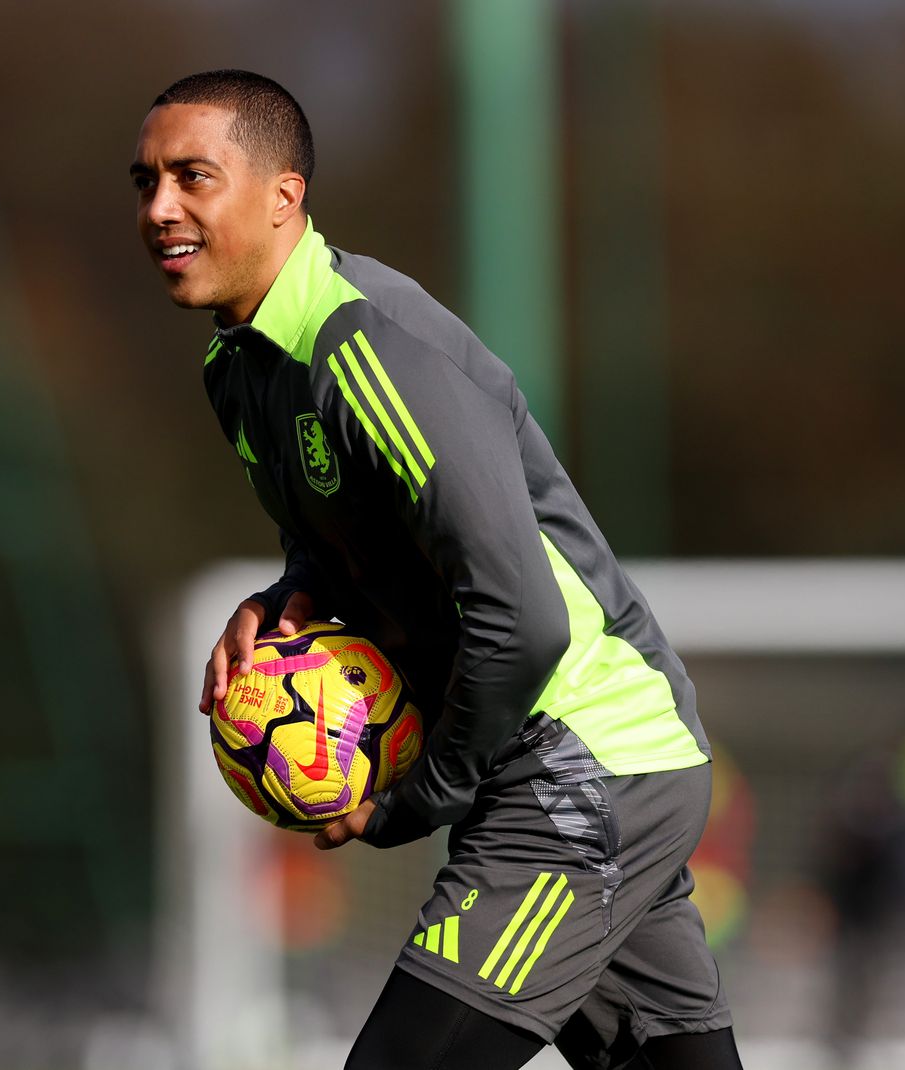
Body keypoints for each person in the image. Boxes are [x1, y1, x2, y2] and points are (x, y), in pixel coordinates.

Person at [131, 69, 743, 1070]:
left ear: (284, 194)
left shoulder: (365, 345)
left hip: (585, 758)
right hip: (555, 763)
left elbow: (522, 612)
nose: (161, 208)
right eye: (147, 180)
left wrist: (420, 793)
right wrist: (284, 597)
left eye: (193, 177)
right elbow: (345, 541)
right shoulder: (239, 365)